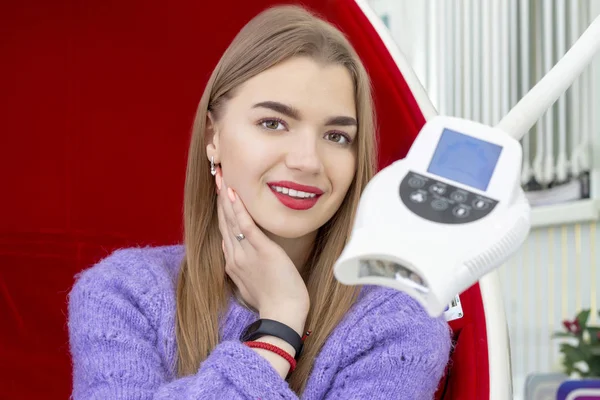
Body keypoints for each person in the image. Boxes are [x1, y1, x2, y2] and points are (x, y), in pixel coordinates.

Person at [67, 4, 451, 399]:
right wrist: (277, 330)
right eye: (273, 123)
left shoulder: (397, 323)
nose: (307, 161)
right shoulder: (122, 294)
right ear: (211, 138)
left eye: (336, 136)